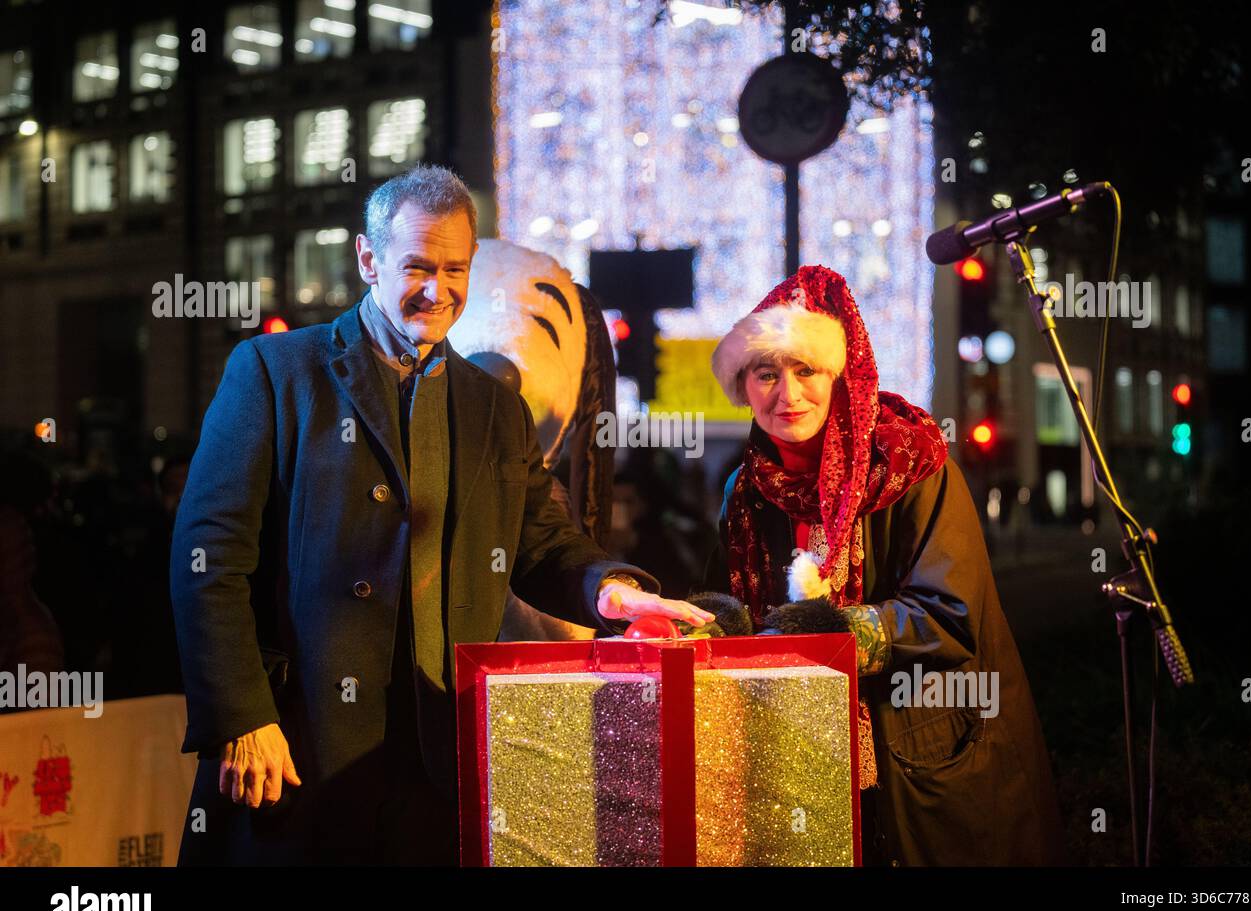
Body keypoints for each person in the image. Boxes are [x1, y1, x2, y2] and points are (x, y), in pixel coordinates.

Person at [171, 164, 712, 865]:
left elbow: (542, 545)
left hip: (439, 764)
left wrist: (610, 588)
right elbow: (208, 561)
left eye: (455, 269)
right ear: (368, 260)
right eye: (416, 266)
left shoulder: (493, 406)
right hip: (296, 747)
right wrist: (241, 718)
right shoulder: (276, 372)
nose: (439, 289)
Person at [700, 265, 1066, 865]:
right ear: (744, 387)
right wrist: (720, 622)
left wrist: (841, 631)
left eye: (806, 371)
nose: (786, 394)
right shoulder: (744, 490)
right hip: (799, 756)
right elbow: (739, 606)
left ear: (839, 378)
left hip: (921, 752)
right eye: (766, 374)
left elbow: (949, 614)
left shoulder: (910, 464)